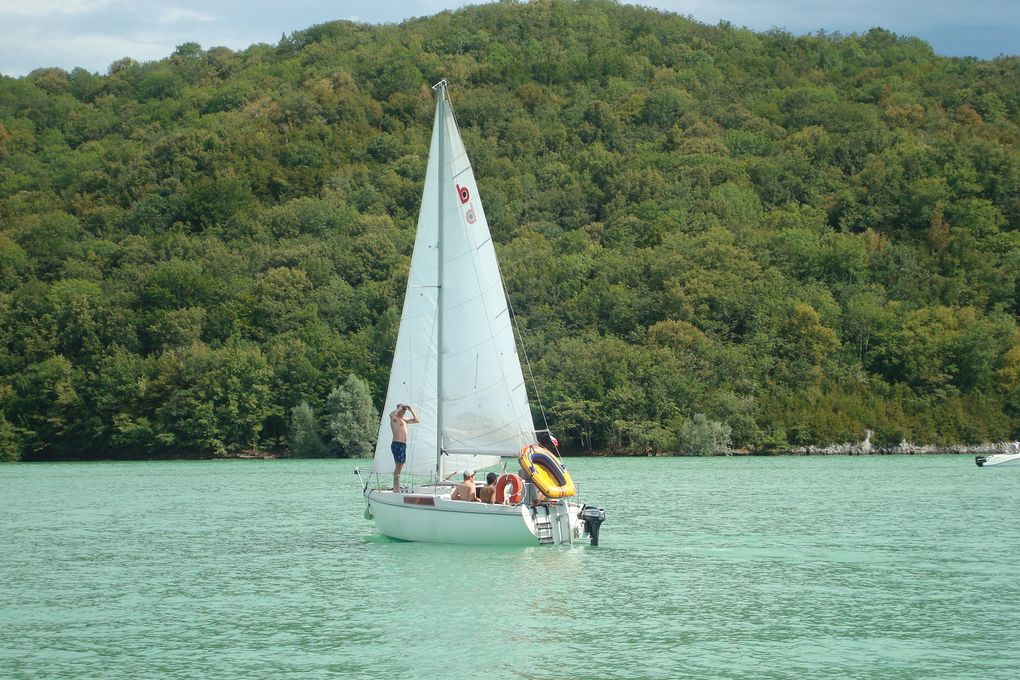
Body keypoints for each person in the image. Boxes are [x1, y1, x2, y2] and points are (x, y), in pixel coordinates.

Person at [389, 403, 419, 493]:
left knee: (400, 466)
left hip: (403, 444)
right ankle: (396, 488)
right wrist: (399, 408)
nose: (404, 412)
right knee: (398, 466)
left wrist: (411, 409)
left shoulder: (405, 420)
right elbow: (391, 414)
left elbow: (416, 420)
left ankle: (397, 486)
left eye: (404, 410)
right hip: (396, 443)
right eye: (403, 410)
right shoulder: (395, 419)